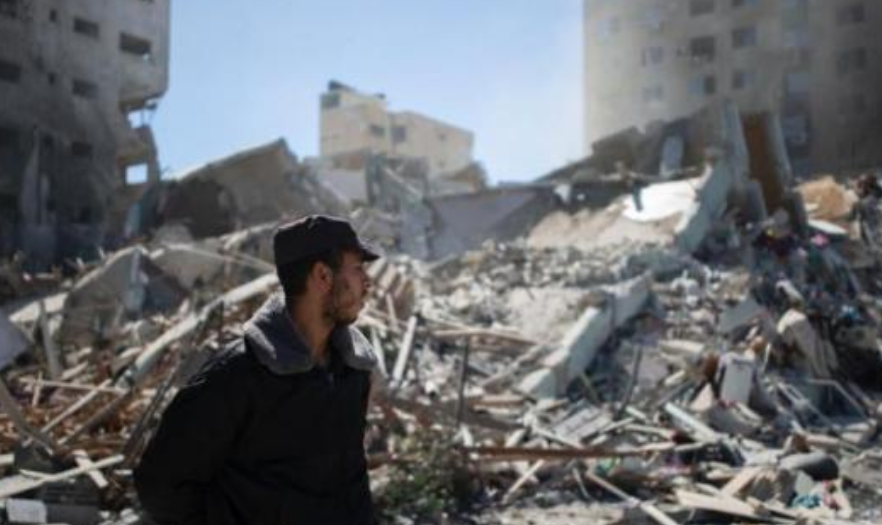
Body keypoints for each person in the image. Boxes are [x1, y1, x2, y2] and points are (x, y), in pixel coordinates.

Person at [135, 215, 382, 525]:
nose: (367, 282)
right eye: (357, 269)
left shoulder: (350, 370)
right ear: (322, 275)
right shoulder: (236, 375)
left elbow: (351, 483)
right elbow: (160, 486)